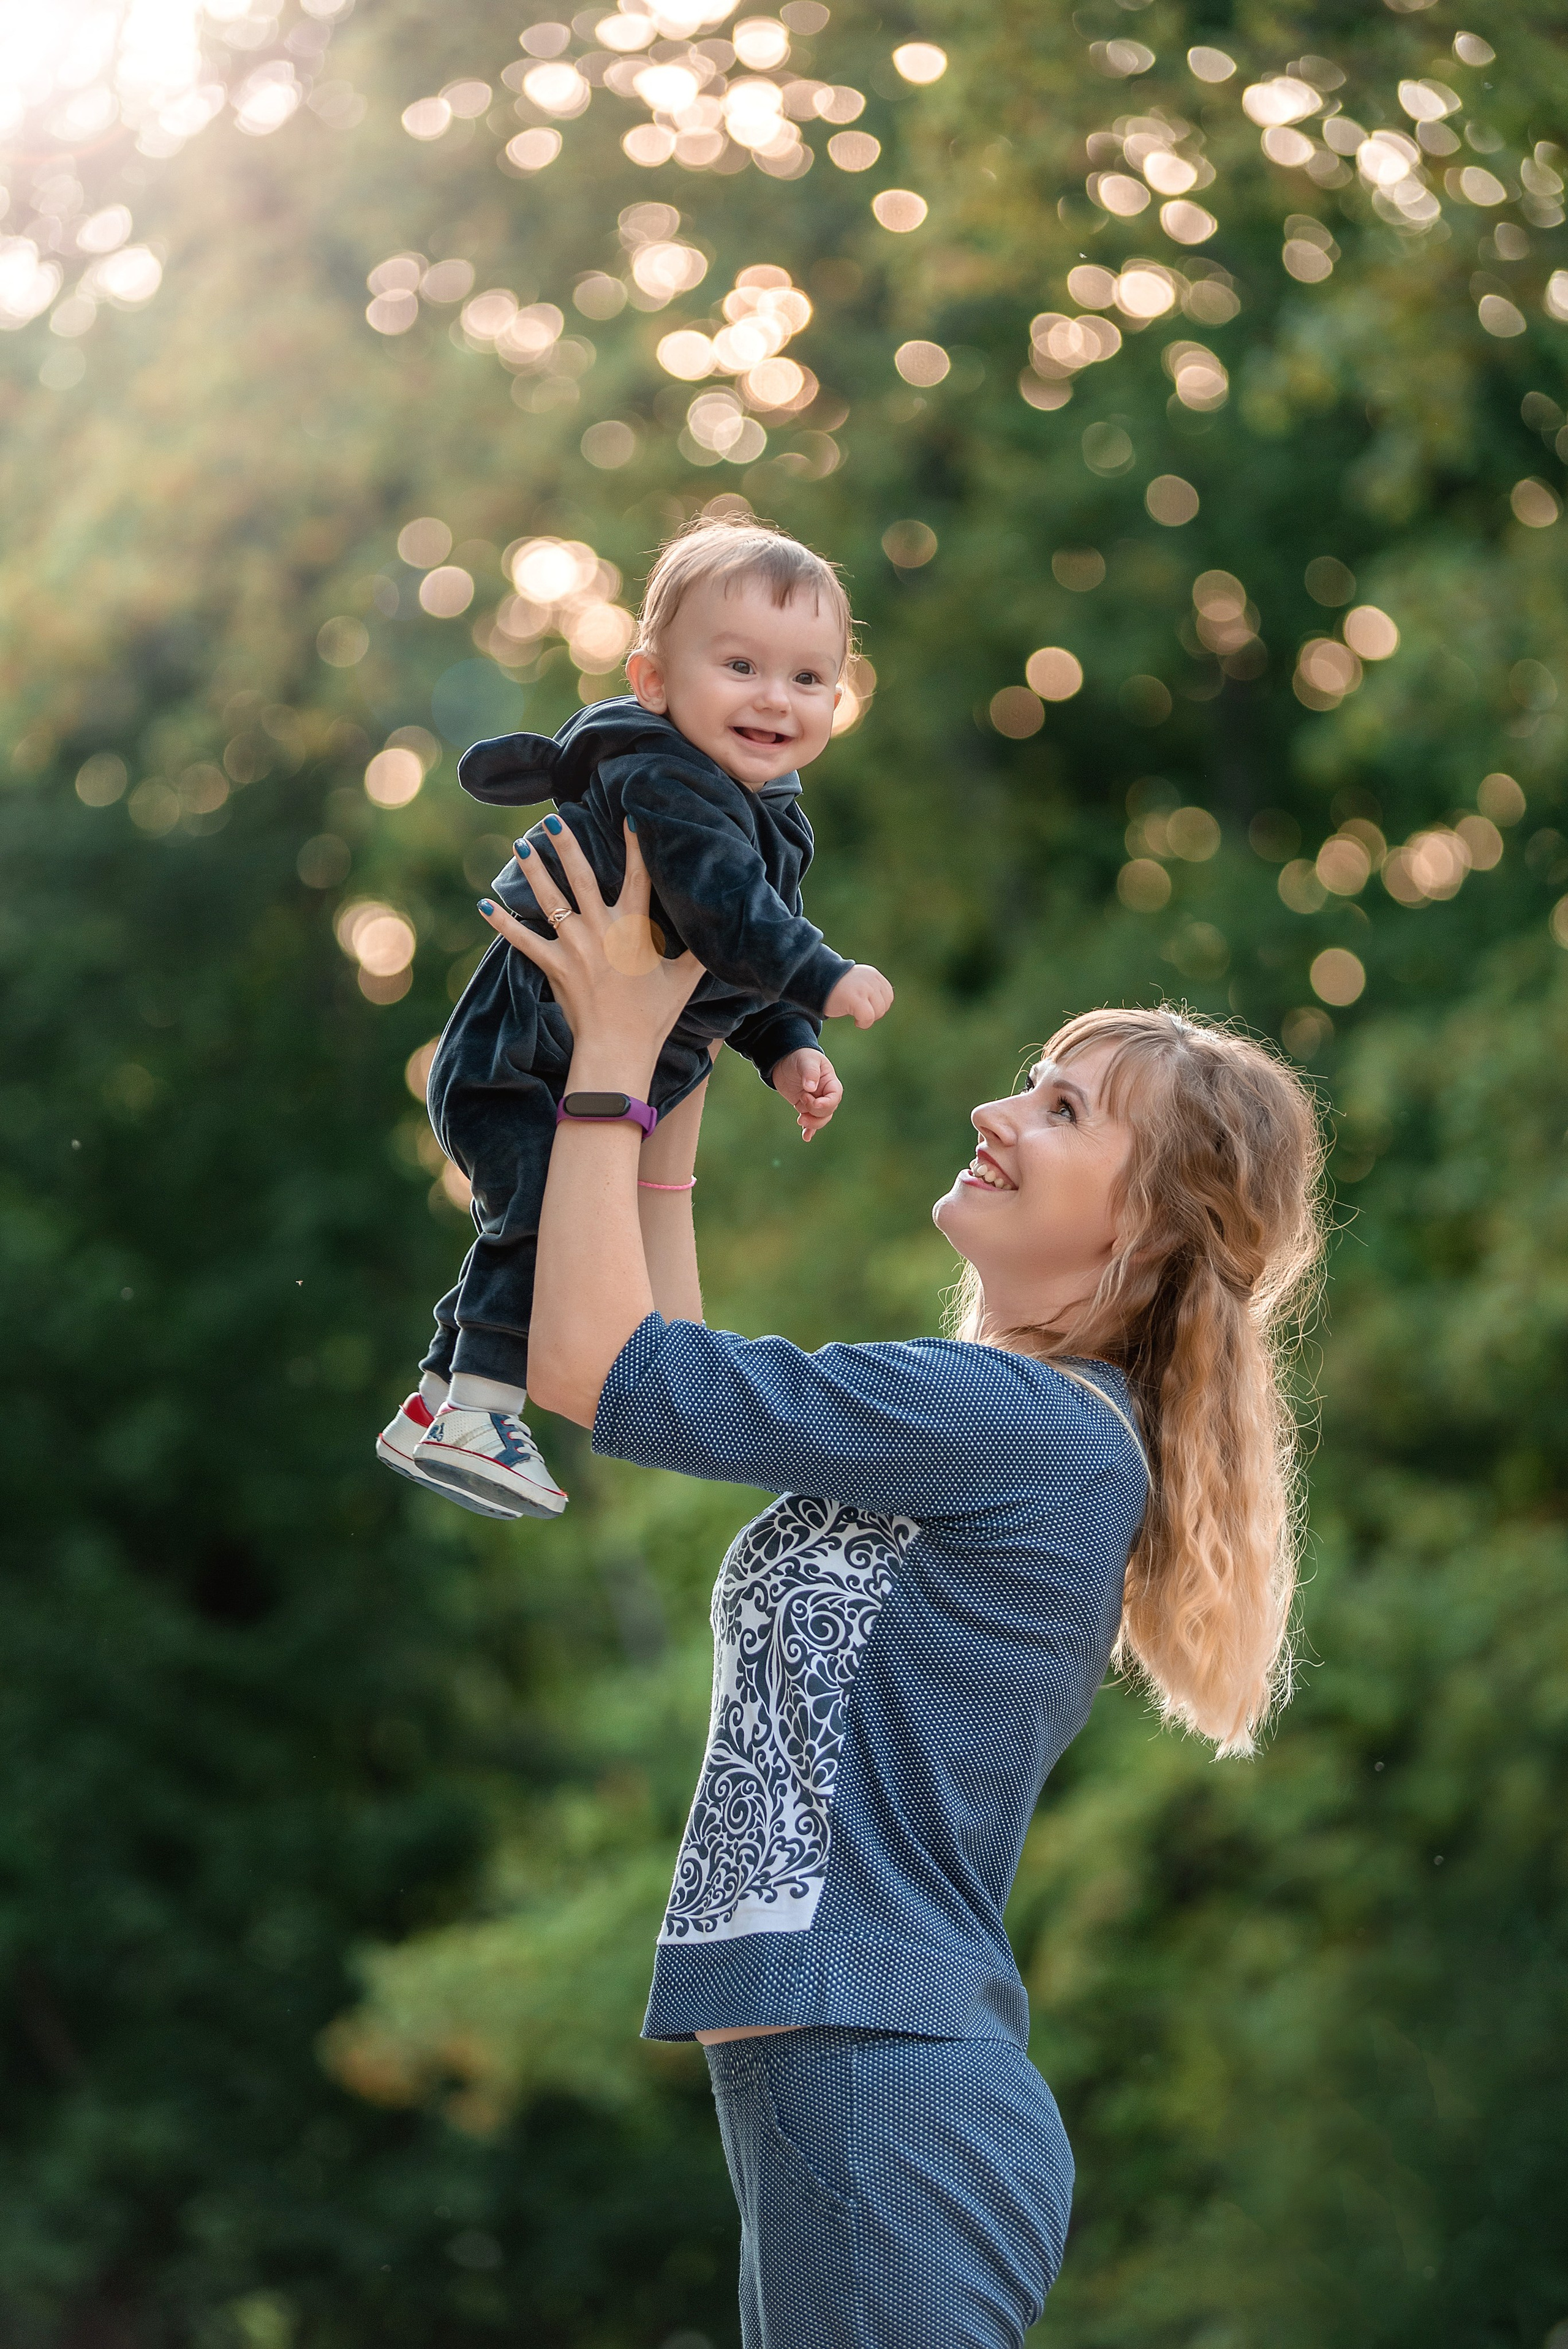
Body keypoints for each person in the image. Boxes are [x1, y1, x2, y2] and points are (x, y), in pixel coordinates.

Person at [469, 820, 1327, 2349]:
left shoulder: (1030, 1424)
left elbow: (595, 1368)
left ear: (1141, 1227)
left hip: (890, 2097)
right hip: (838, 2089)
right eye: (1029, 1080)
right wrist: (676, 1057)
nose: (995, 1111)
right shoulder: (1004, 1427)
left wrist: (607, 1050)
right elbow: (665, 1366)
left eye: (1060, 1108)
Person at [375, 518, 892, 1520]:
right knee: (537, 1220)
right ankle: (481, 1410)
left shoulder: (765, 810)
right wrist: (821, 977)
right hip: (518, 1058)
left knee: (526, 1217)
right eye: (740, 666)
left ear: (838, 697)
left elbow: (714, 968)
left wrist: (786, 1043)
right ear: (654, 681)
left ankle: (434, 1401)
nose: (774, 698)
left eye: (807, 678)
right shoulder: (667, 782)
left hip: (573, 1060)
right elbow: (731, 917)